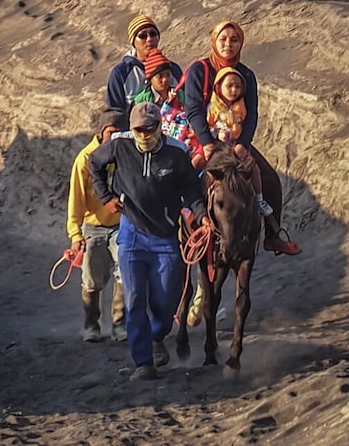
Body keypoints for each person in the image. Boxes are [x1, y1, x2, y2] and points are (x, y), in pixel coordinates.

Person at [89, 102, 211, 381]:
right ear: (131, 129)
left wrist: (202, 216)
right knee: (134, 300)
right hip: (131, 235)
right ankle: (143, 362)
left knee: (167, 300)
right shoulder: (119, 146)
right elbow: (93, 163)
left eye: (150, 128)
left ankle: (158, 335)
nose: (144, 134)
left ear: (159, 127)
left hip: (165, 236)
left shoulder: (177, 152)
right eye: (138, 129)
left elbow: (191, 191)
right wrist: (105, 196)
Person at [183, 20, 301, 256]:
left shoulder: (246, 75)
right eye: (223, 39)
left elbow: (251, 115)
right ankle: (174, 225)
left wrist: (242, 146)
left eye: (234, 39)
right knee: (182, 175)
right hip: (202, 138)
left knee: (269, 178)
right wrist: (207, 144)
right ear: (214, 41)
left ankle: (272, 235)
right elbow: (194, 109)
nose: (228, 44)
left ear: (241, 43)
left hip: (234, 140)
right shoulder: (200, 70)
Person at [66, 109, 127, 343]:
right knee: (91, 278)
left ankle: (120, 324)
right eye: (111, 132)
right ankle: (91, 324)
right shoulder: (85, 158)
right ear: (101, 132)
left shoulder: (126, 155)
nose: (115, 138)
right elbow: (76, 199)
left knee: (125, 273)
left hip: (122, 226)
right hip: (94, 227)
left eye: (120, 133)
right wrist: (75, 234)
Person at [203, 66, 274, 216]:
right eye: (229, 86)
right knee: (207, 171)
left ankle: (259, 198)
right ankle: (202, 202)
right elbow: (208, 124)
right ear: (218, 87)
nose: (234, 90)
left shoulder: (241, 107)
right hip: (219, 148)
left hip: (236, 146)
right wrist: (216, 133)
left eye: (238, 86)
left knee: (253, 167)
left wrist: (242, 143)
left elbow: (247, 122)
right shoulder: (214, 107)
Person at [105, 14, 183, 126]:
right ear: (133, 42)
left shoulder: (173, 69)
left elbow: (186, 102)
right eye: (142, 36)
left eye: (153, 34)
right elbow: (115, 111)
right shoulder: (121, 73)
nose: (149, 39)